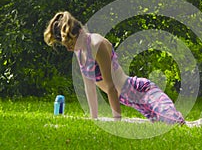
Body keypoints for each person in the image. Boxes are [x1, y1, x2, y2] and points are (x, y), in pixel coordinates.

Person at [44, 11, 186, 125]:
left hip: (142, 91)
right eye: (66, 45)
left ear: (79, 33)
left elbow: (111, 87)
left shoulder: (96, 44)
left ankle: (201, 123)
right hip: (132, 101)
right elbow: (89, 86)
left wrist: (116, 122)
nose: (69, 49)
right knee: (160, 123)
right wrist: (94, 119)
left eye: (71, 44)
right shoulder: (79, 50)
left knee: (175, 123)